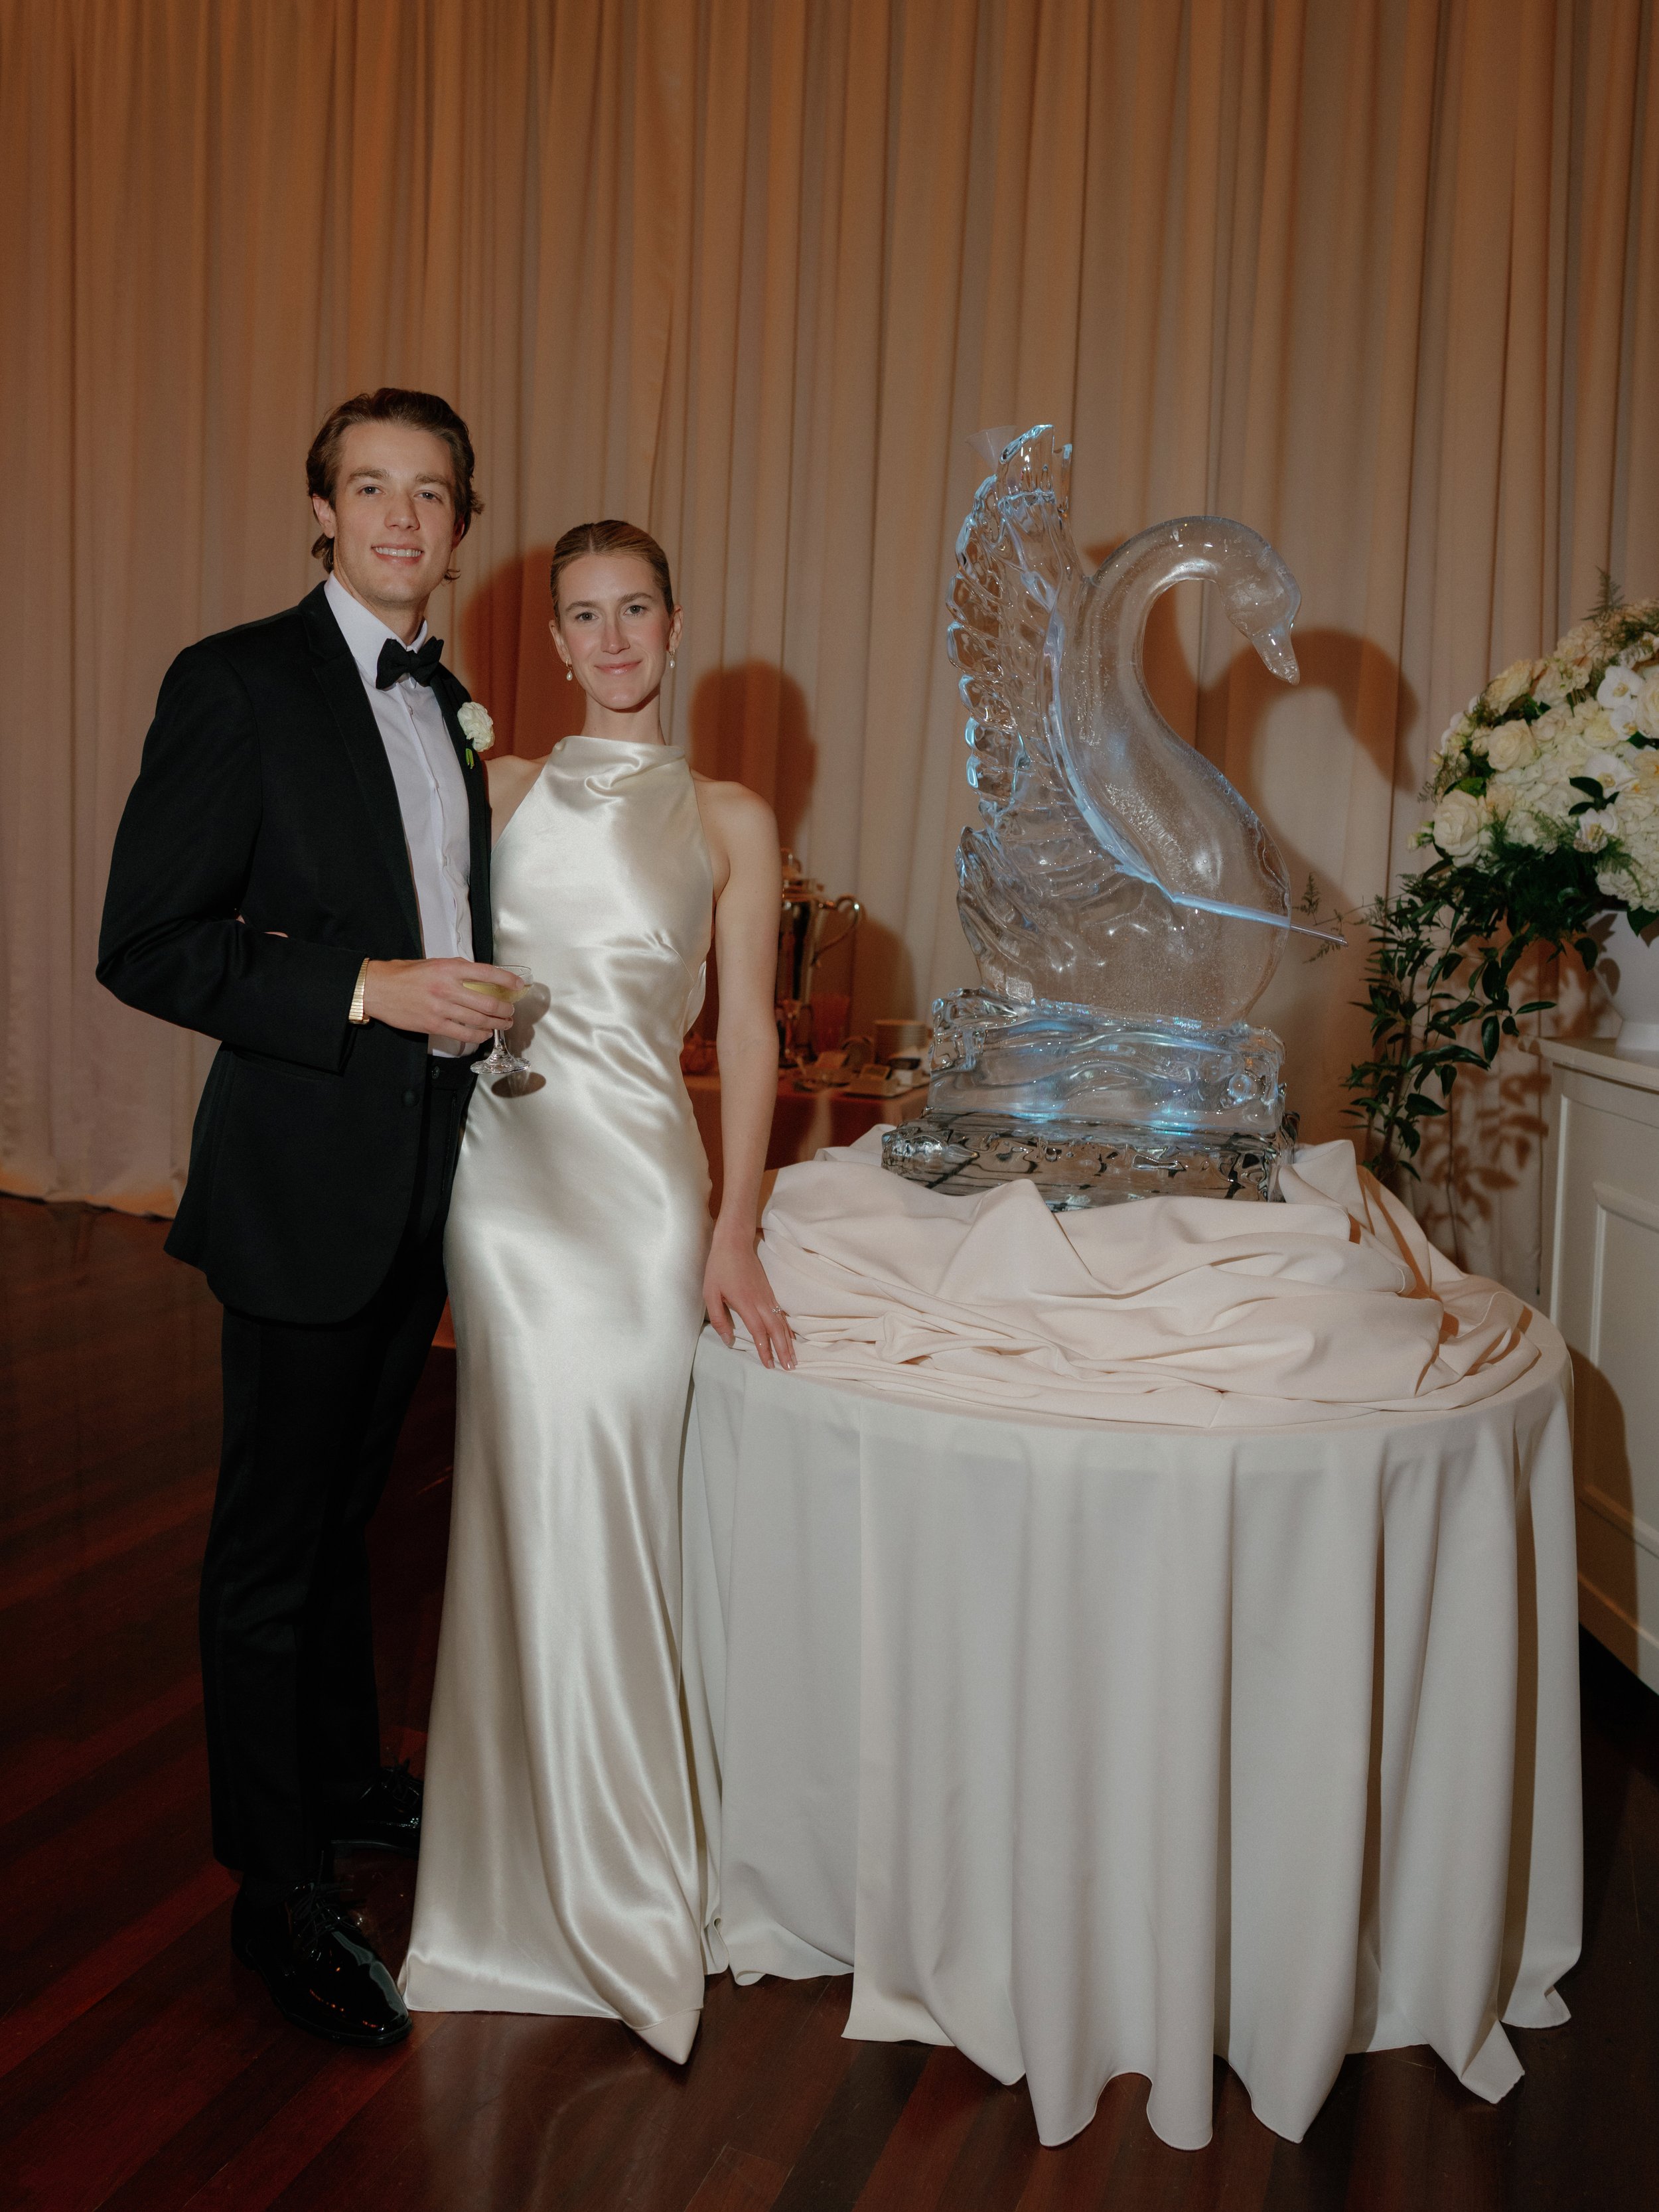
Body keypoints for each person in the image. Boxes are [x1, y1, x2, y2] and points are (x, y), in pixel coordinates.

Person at [97, 388, 522, 2049]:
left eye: (432, 493)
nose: (403, 518)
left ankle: (344, 1779)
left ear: (462, 524)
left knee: (353, 1502)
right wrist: (361, 989)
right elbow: (147, 941)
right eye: (371, 487)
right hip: (299, 1177)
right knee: (268, 1547)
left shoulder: (453, 702)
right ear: (323, 511)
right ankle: (277, 1889)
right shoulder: (238, 680)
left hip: (428, 1174)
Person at [400, 520, 794, 2061]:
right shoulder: (489, 794)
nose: (612, 635)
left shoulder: (728, 814)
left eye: (635, 608)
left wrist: (734, 1225)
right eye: (583, 615)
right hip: (501, 1186)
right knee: (517, 1495)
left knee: (619, 1501)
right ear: (551, 647)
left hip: (640, 1191)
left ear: (675, 628)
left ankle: (630, 1875)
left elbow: (749, 1036)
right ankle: (509, 1887)